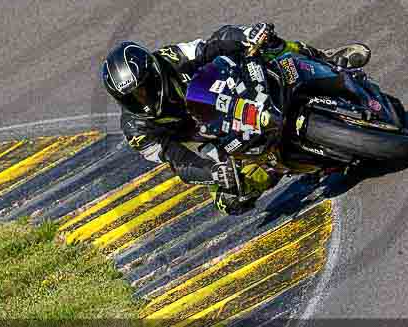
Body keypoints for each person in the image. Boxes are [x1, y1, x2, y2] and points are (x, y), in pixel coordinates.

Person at [101, 23, 371, 215]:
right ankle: (291, 165)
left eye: (143, 88)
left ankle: (323, 58)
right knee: (229, 201)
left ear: (153, 72)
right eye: (132, 97)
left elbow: (211, 46)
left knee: (255, 42)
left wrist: (247, 37)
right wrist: (213, 173)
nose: (142, 99)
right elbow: (178, 161)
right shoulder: (137, 129)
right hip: (217, 137)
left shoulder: (171, 58)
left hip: (231, 92)